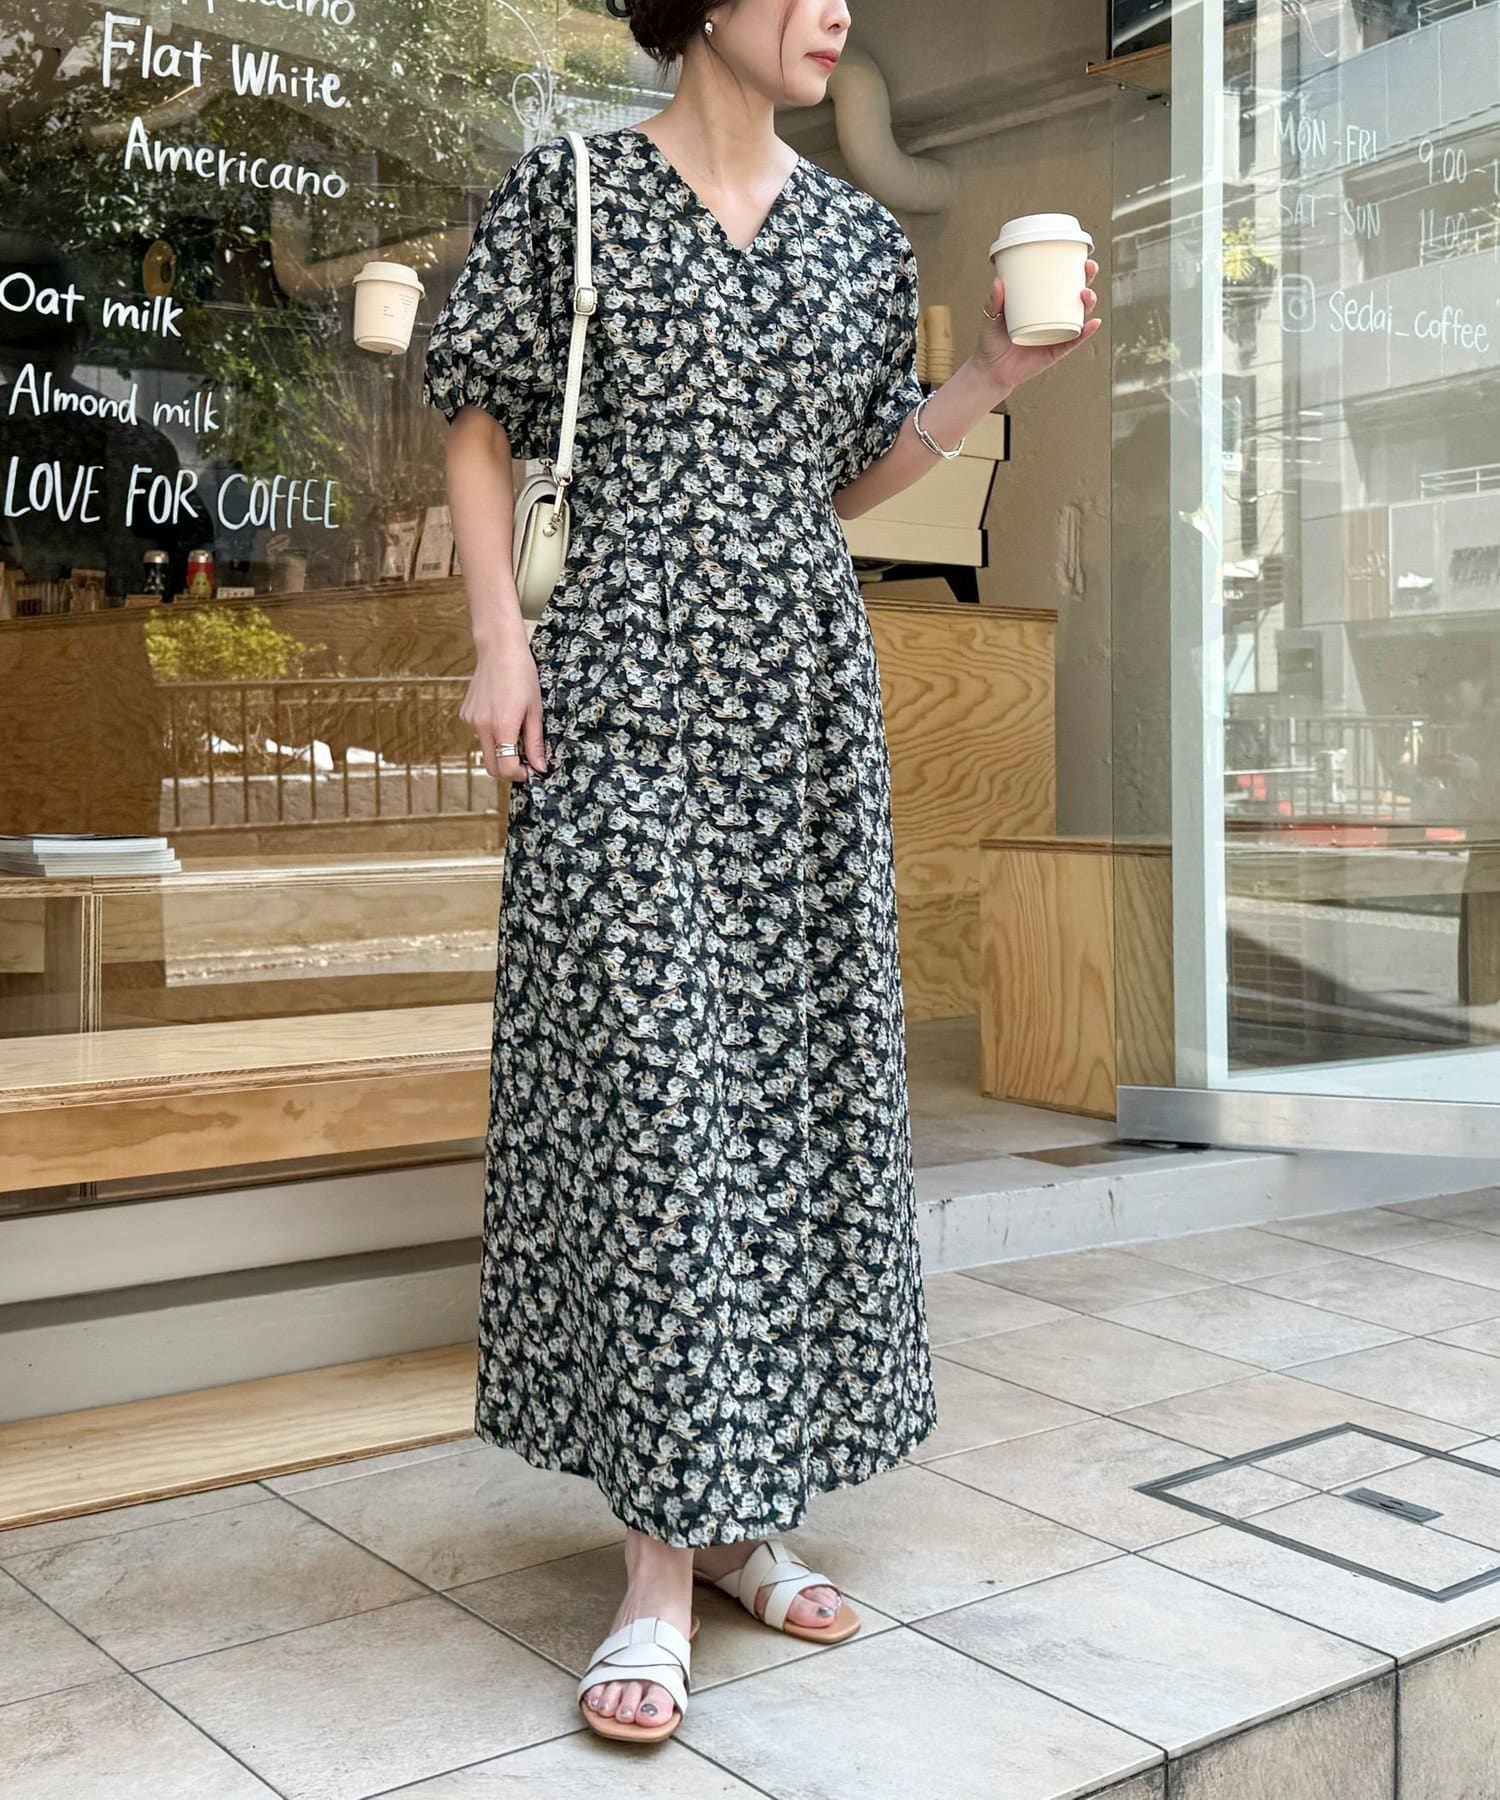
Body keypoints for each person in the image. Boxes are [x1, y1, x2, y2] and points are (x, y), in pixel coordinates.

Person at [424, 0, 1100, 1746]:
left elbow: (848, 477)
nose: (837, 11)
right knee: (656, 1106)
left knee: (783, 1101)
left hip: (798, 700)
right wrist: (499, 641)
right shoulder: (573, 194)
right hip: (617, 691)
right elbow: (480, 420)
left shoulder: (858, 239)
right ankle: (658, 1571)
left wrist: (986, 382)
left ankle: (734, 1526)